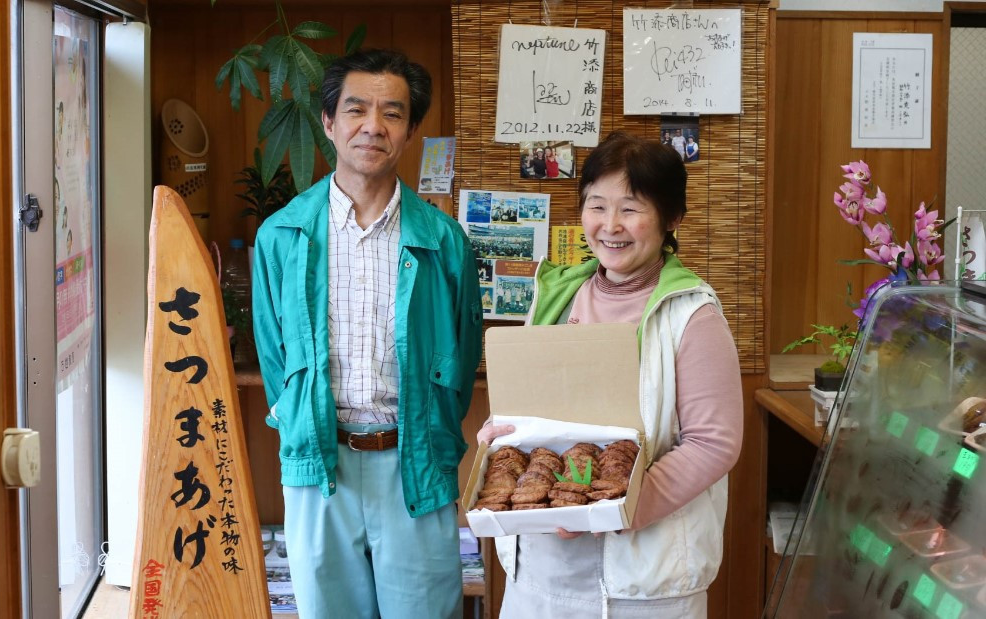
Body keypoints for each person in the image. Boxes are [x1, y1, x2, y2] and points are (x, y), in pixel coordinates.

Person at [253, 49, 483, 619]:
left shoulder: (444, 240)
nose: (373, 126)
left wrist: (428, 430)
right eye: (356, 109)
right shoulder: (280, 235)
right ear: (329, 123)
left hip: (414, 463)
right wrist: (298, 413)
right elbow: (273, 352)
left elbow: (461, 355)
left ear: (409, 131)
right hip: (318, 461)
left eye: (393, 113)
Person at [477, 131, 742, 618]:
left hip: (644, 578)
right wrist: (502, 435)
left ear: (672, 218)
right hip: (544, 567)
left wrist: (614, 509)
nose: (610, 225)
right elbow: (539, 415)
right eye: (596, 206)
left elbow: (714, 442)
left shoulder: (692, 314)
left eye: (632, 208)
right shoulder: (557, 294)